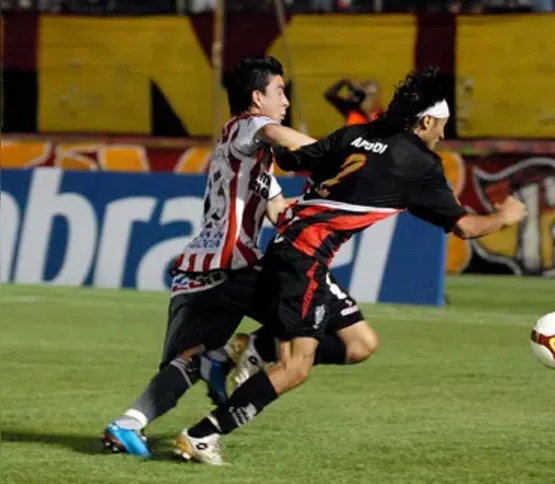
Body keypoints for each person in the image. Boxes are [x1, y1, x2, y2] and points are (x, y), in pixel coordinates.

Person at [172, 66, 528, 465]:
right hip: (303, 260)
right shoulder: (421, 166)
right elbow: (465, 226)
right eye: (442, 126)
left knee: (360, 345)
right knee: (295, 367)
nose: (443, 135)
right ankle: (202, 435)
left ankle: (251, 345)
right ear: (427, 120)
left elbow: (294, 160)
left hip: (296, 253)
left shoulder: (359, 134)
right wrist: (506, 217)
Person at [100, 55, 369, 458]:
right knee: (326, 329)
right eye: (280, 91)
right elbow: (286, 138)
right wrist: (345, 154)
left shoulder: (251, 161)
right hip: (232, 268)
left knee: (187, 363)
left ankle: (127, 424)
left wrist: (328, 201)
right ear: (257, 97)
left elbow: (283, 216)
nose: (285, 101)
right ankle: (245, 354)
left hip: (201, 273)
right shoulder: (249, 126)